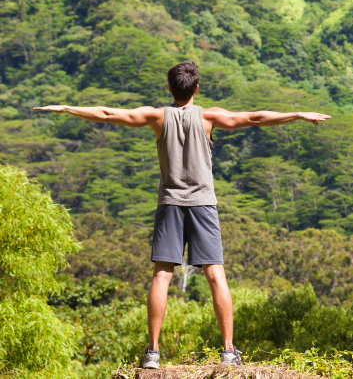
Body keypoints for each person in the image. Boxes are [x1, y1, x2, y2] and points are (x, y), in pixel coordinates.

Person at [34, 61, 331, 369]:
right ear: (196, 89)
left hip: (170, 204)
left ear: (169, 88)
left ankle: (152, 352)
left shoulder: (157, 116)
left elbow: (110, 114)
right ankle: (229, 351)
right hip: (203, 205)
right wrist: (297, 114)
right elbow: (254, 117)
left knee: (162, 275)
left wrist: (66, 108)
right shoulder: (208, 116)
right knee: (215, 276)